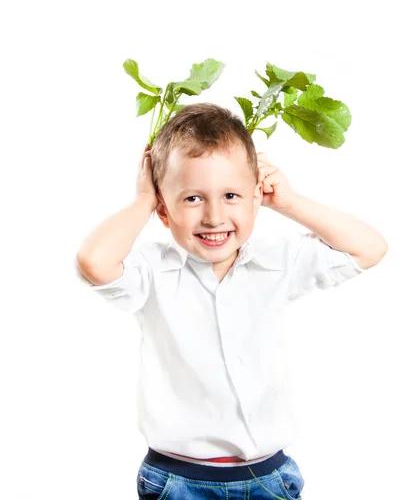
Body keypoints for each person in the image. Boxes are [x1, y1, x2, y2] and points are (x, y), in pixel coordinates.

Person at [76, 102, 387, 499]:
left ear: (256, 196)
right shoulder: (152, 270)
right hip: (178, 479)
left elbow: (369, 248)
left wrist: (289, 202)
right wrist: (141, 199)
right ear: (163, 209)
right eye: (192, 199)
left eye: (231, 195)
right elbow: (94, 261)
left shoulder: (279, 262)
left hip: (269, 475)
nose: (213, 215)